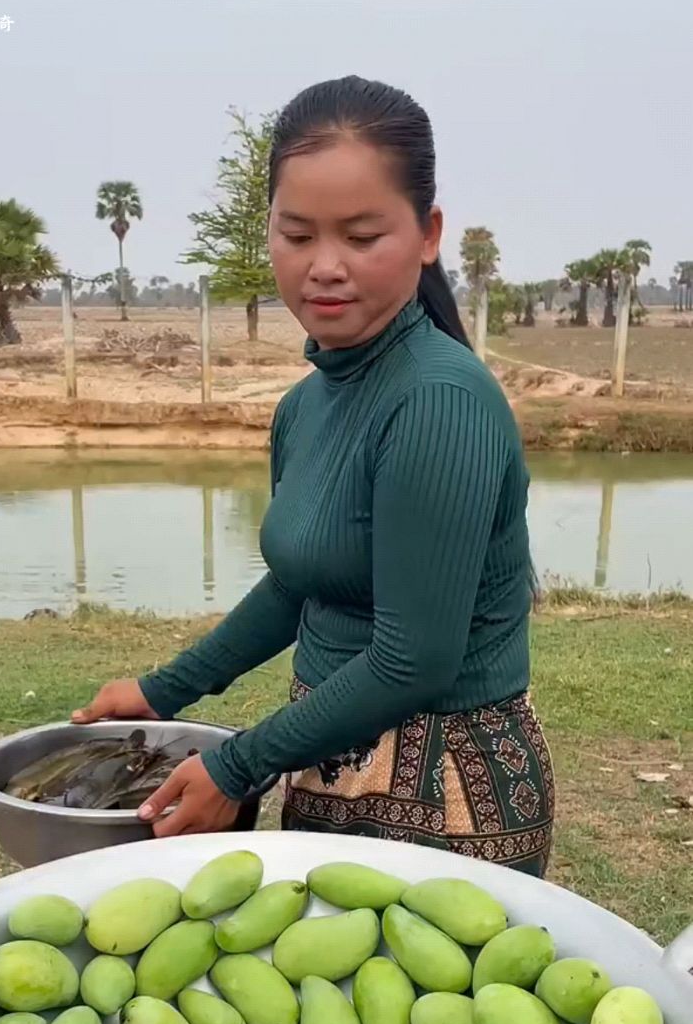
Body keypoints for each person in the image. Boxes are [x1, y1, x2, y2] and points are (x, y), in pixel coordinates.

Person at [73, 75, 554, 875]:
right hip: (328, 753)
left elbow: (413, 660)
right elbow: (302, 584)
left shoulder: (437, 401)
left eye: (362, 236)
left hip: (444, 791)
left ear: (428, 233)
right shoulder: (307, 404)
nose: (324, 267)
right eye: (296, 235)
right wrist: (165, 690)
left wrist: (236, 765)